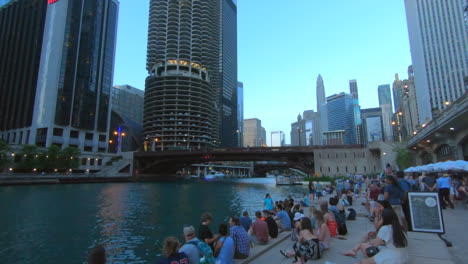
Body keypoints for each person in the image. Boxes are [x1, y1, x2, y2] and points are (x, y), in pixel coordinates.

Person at [343, 208, 408, 264]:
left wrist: (374, 235)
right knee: (365, 247)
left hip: (391, 258)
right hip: (402, 257)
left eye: (380, 217)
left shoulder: (385, 228)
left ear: (385, 219)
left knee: (362, 262)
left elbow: (375, 244)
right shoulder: (400, 228)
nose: (378, 219)